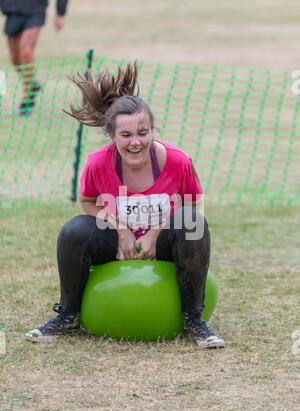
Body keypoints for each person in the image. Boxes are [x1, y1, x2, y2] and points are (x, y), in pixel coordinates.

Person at [25, 61, 225, 349]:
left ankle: (194, 319)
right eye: (126, 135)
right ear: (112, 136)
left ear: (153, 130)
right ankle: (68, 315)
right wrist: (120, 230)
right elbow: (88, 201)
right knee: (74, 230)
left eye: (143, 133)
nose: (136, 143)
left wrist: (156, 232)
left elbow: (193, 204)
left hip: (165, 245)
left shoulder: (178, 161)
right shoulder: (98, 163)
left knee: (193, 221)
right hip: (117, 245)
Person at [0, 0, 68, 116]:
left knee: (26, 50)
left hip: (35, 10)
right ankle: (32, 83)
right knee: (15, 58)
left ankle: (27, 99)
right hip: (13, 10)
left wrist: (60, 14)